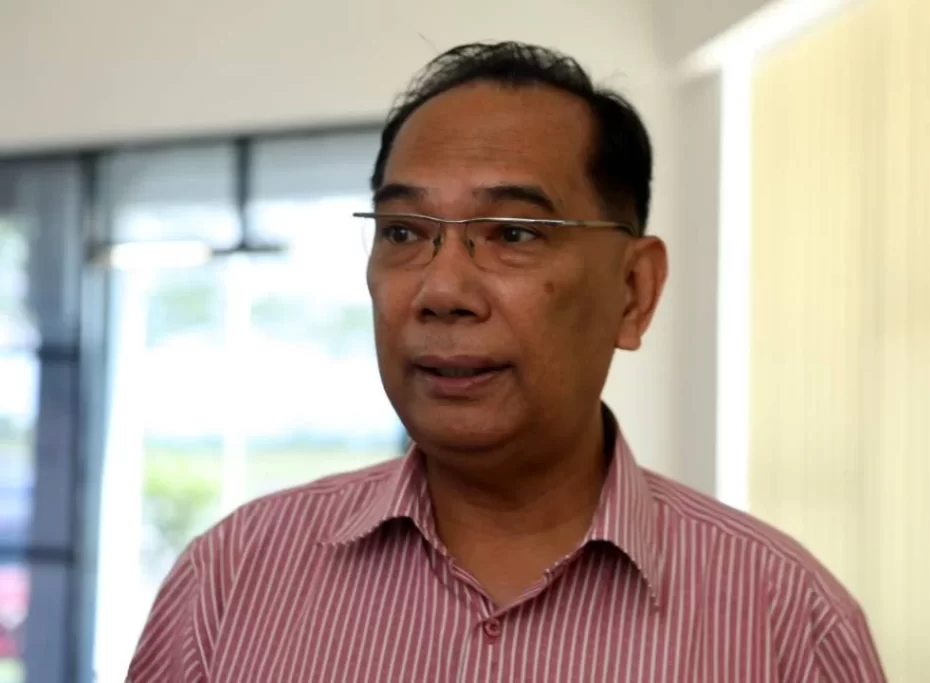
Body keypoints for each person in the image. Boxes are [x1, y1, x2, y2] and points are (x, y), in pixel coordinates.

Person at [127, 41, 887, 682]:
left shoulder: (787, 622)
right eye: (402, 232)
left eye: (512, 234)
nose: (442, 291)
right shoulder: (232, 581)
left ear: (633, 291)